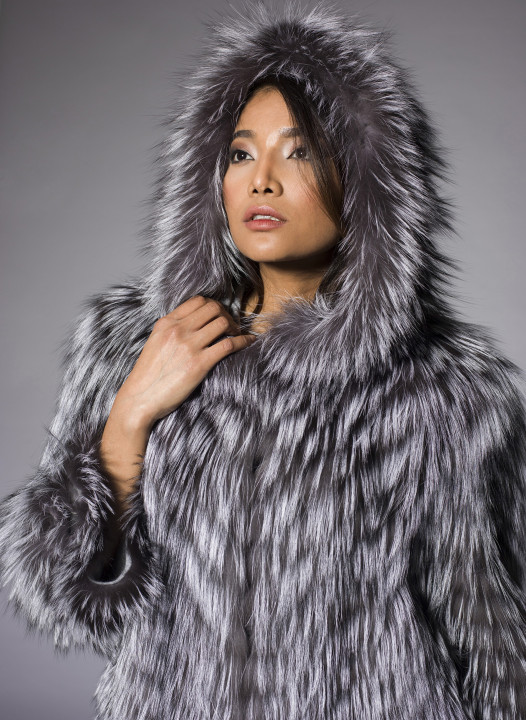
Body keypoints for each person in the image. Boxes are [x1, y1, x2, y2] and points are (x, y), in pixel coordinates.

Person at [1, 3, 526, 719]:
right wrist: (128, 420)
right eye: (241, 154)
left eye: (299, 152)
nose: (262, 181)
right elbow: (61, 596)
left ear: (367, 183)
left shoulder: (448, 394)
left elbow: (492, 642)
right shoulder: (128, 347)